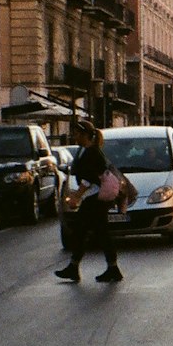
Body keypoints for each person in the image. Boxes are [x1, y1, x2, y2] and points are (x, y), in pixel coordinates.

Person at [55, 119, 123, 283]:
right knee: (90, 232)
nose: (75, 136)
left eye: (77, 133)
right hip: (93, 198)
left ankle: (107, 268)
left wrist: (77, 196)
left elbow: (90, 179)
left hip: (95, 198)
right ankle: (79, 267)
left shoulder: (92, 152)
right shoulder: (87, 150)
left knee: (90, 232)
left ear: (85, 135)